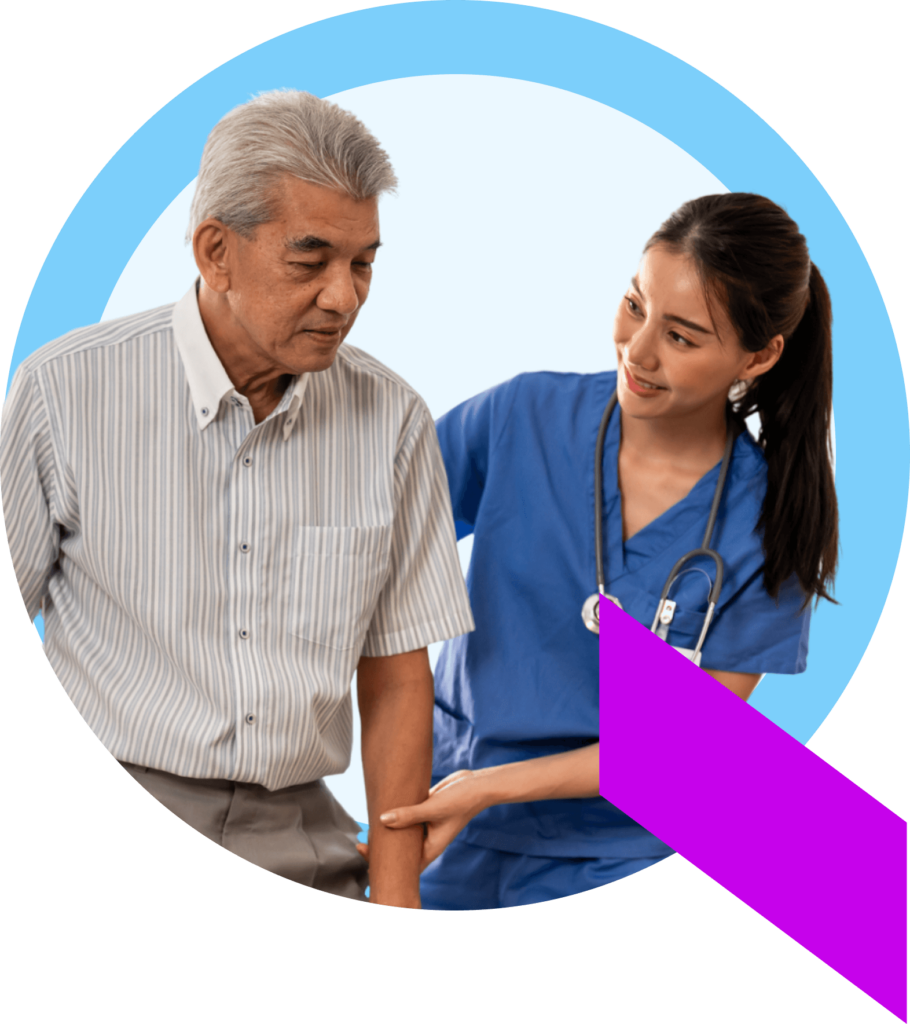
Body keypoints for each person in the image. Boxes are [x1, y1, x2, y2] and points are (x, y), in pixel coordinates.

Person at [0, 89, 475, 911]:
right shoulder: (61, 392)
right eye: (311, 258)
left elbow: (397, 676)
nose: (344, 296)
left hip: (301, 844)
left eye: (363, 262)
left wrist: (395, 897)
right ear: (216, 251)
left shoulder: (394, 420)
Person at [361, 192, 839, 911]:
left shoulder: (773, 525)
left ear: (760, 354)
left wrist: (488, 786)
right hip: (444, 821)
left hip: (620, 855)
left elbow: (682, 746)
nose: (637, 351)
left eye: (682, 337)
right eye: (634, 305)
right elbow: (361, 542)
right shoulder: (520, 417)